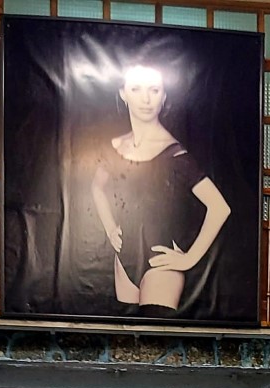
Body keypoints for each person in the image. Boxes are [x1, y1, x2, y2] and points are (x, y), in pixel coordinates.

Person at [91, 63, 231, 312]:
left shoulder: (175, 154)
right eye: (136, 89)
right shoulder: (115, 147)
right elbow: (97, 187)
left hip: (161, 264)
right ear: (123, 93)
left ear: (164, 96)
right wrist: (111, 228)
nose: (145, 99)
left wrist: (189, 259)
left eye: (154, 90)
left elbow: (219, 208)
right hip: (124, 261)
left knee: (155, 332)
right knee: (126, 336)